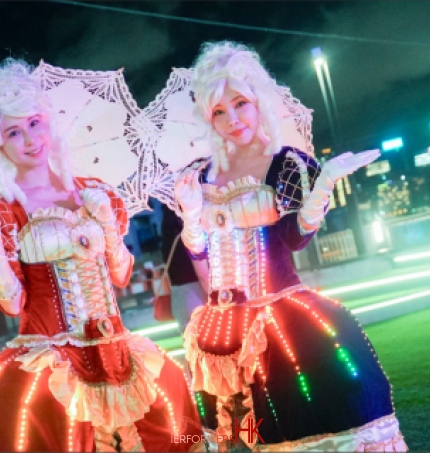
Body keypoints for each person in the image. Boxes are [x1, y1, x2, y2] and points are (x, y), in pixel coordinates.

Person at [174, 41, 408, 452]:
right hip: (218, 330)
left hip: (280, 321)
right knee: (230, 434)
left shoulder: (286, 163)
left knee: (294, 423)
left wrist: (325, 184)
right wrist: (191, 216)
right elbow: (198, 253)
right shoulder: (199, 176)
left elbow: (295, 239)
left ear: (259, 101)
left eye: (240, 103)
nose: (232, 119)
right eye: (218, 112)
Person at [0, 58, 203, 452]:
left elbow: (121, 274)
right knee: (41, 410)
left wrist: (108, 225)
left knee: (171, 393)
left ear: (48, 122)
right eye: (13, 131)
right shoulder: (7, 209)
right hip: (51, 352)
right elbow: (13, 303)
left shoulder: (92, 190)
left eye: (34, 123)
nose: (29, 139)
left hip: (115, 345)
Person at [160, 203, 208, 334]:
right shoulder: (192, 238)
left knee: (191, 342)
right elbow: (203, 275)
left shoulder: (169, 240)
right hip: (199, 294)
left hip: (180, 297)